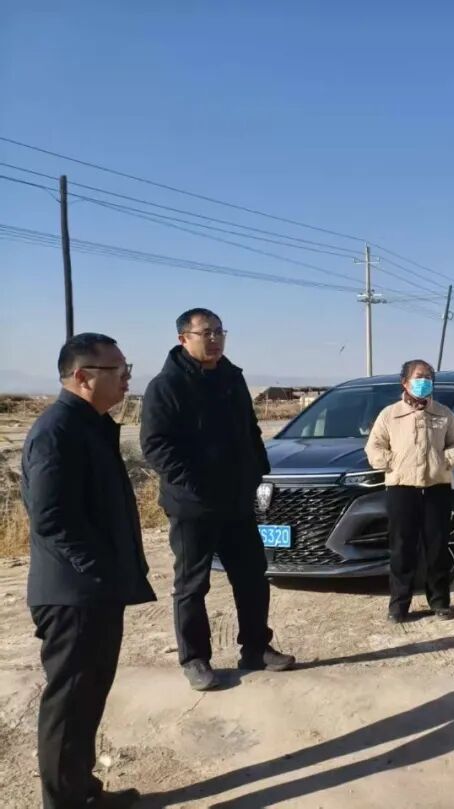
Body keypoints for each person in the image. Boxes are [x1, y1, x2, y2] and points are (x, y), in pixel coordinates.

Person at [21, 333, 154, 809]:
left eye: (126, 369)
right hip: (72, 595)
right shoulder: (56, 431)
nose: (127, 379)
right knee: (69, 706)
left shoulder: (90, 425)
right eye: (118, 371)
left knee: (87, 701)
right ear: (82, 377)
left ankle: (83, 793)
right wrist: (97, 570)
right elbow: (50, 518)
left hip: (92, 590)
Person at [140, 308, 294, 691]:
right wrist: (194, 484)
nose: (214, 339)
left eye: (219, 332)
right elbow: (156, 445)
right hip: (193, 504)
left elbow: (250, 429)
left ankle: (256, 647)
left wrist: (257, 471)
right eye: (205, 333)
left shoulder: (231, 377)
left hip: (237, 500)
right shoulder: (167, 385)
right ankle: (195, 659)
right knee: (193, 584)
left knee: (252, 576)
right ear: (183, 339)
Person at [365, 359, 454, 622]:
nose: (425, 382)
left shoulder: (444, 414)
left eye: (429, 377)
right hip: (402, 489)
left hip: (437, 488)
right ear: (405, 382)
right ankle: (399, 606)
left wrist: (445, 459)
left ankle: (440, 602)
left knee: (437, 547)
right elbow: (374, 447)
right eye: (419, 376)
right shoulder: (390, 415)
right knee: (402, 549)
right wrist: (393, 462)